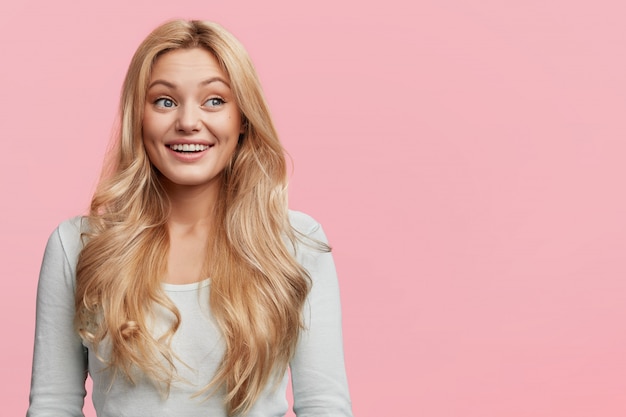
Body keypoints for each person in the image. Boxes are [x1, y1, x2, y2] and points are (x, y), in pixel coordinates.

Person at [27, 19, 352, 417]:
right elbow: (53, 406)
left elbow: (324, 406)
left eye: (214, 101)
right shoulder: (77, 245)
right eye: (164, 101)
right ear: (138, 118)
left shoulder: (296, 243)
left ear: (243, 120)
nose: (187, 121)